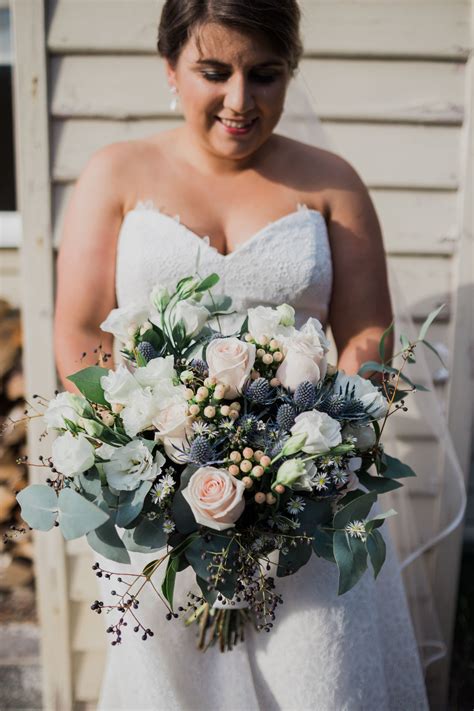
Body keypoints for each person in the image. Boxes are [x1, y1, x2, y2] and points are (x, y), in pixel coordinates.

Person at [54, 1, 429, 708]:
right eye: (213, 71)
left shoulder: (333, 183)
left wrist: (317, 454)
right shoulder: (116, 173)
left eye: (264, 74)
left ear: (290, 73)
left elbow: (367, 330)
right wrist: (142, 448)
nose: (239, 100)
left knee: (320, 680)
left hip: (312, 507)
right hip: (162, 504)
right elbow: (79, 329)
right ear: (171, 69)